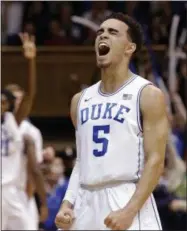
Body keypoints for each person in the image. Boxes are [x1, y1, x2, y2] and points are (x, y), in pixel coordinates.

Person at [55, 12, 168, 230]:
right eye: (100, 32)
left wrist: (129, 210)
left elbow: (155, 160)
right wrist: (67, 204)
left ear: (129, 48)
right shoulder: (80, 100)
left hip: (126, 195)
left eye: (113, 32)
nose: (103, 36)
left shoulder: (147, 94)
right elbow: (82, 160)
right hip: (85, 201)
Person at [1, 33, 37, 230]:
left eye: (4, 102)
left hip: (12, 191)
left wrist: (31, 61)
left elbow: (30, 95)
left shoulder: (12, 121)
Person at [5, 83, 47, 229]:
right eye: (14, 99)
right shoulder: (14, 126)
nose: (17, 103)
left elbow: (33, 170)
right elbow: (35, 170)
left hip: (21, 192)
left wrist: (29, 196)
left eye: (20, 99)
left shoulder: (30, 131)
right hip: (12, 192)